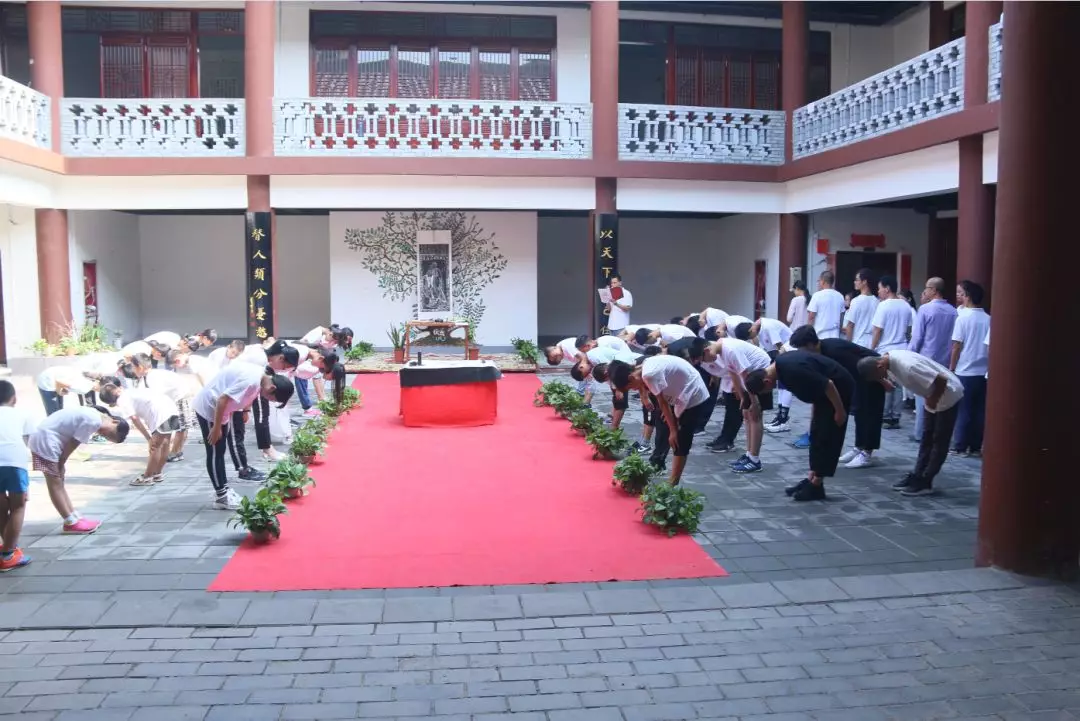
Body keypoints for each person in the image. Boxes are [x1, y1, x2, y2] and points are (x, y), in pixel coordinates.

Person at [745, 351, 854, 502]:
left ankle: (817, 484)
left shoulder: (792, 370)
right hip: (824, 394)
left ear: (767, 382)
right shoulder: (780, 366)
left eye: (765, 391)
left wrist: (840, 411)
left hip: (838, 390)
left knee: (828, 434)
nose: (769, 392)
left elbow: (828, 384)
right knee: (816, 434)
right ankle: (812, 478)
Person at [857, 349, 963, 497]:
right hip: (931, 394)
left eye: (878, 377)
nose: (881, 379)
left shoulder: (908, 367)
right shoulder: (887, 360)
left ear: (879, 366)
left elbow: (941, 380)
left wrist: (932, 401)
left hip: (947, 394)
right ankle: (918, 474)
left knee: (939, 439)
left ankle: (926, 482)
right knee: (927, 437)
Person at [193, 363, 294, 510]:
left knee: (220, 451)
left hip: (222, 411)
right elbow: (222, 399)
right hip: (211, 408)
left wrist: (245, 410)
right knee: (215, 452)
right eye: (272, 399)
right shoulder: (252, 381)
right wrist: (216, 427)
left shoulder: (261, 378)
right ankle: (221, 496)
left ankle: (224, 489)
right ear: (272, 388)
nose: (269, 401)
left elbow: (245, 395)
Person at [790, 326, 888, 469]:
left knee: (870, 414)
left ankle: (867, 453)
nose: (800, 352)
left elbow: (863, 365)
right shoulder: (820, 352)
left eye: (800, 348)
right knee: (859, 413)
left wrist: (882, 381)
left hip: (871, 376)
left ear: (810, 344)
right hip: (858, 380)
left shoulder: (835, 349)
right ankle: (859, 447)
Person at [608, 355, 710, 486]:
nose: (634, 389)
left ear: (631, 378)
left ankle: (673, 483)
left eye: (631, 387)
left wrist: (673, 430)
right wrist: (669, 416)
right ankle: (658, 462)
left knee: (680, 439)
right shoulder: (640, 369)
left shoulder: (649, 374)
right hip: (677, 391)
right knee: (663, 422)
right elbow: (662, 402)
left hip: (692, 392)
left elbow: (662, 403)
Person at [28, 406, 130, 534]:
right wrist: (62, 461)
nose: (102, 434)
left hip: (48, 440)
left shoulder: (94, 416)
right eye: (108, 434)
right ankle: (70, 521)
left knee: (59, 482)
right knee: (55, 482)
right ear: (115, 421)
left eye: (105, 437)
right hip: (46, 441)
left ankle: (74, 516)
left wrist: (61, 462)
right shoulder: (94, 420)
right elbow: (73, 443)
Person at [698, 336, 772, 473]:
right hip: (749, 375)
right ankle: (749, 455)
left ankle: (754, 460)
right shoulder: (721, 350)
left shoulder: (730, 350)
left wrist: (754, 401)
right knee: (746, 415)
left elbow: (745, 376)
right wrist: (742, 396)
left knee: (755, 416)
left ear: (707, 351)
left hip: (760, 372)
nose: (705, 363)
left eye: (703, 360)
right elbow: (733, 372)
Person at [99, 384, 180, 486]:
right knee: (165, 444)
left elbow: (134, 418)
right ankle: (157, 473)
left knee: (154, 447)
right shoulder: (131, 391)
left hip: (161, 414)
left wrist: (148, 438)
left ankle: (147, 477)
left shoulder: (122, 399)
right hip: (171, 409)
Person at [909, 277, 958, 442]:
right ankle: (937, 431)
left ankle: (920, 432)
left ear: (934, 290)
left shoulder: (925, 309)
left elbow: (917, 338)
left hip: (926, 359)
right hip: (945, 360)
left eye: (927, 288)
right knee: (940, 397)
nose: (925, 291)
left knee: (922, 397)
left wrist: (910, 355)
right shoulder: (953, 311)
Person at [949, 280, 991, 456]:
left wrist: (951, 367)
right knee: (979, 410)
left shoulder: (963, 318)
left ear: (968, 296)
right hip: (983, 371)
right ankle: (975, 445)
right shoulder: (988, 319)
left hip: (965, 369)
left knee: (964, 410)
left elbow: (956, 346)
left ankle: (959, 445)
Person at [0, 381, 36, 571]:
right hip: (14, 463)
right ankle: (8, 555)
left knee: (1, 507)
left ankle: (8, 548)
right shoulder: (23, 413)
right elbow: (27, 442)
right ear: (14, 399)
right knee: (18, 506)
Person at [871, 275, 914, 429]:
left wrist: (872, 348)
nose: (878, 291)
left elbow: (877, 330)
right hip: (902, 348)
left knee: (886, 383)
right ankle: (896, 416)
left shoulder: (883, 306)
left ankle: (885, 415)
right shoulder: (906, 306)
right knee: (899, 385)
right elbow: (909, 330)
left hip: (886, 349)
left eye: (880, 288)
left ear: (887, 288)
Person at [144, 366, 201, 462]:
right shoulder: (156, 373)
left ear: (140, 367)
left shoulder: (151, 377)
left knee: (181, 428)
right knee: (182, 427)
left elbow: (157, 396)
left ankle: (175, 453)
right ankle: (178, 451)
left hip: (180, 397)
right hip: (183, 395)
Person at [844, 269, 879, 348]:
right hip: (872, 344)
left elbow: (850, 325)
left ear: (864, 282)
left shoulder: (856, 301)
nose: (854, 282)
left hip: (858, 343)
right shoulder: (877, 302)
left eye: (857, 280)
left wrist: (848, 346)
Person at [807, 271, 846, 340]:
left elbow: (811, 317)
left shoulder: (817, 295)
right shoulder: (840, 296)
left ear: (823, 281)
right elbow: (842, 317)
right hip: (835, 336)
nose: (818, 283)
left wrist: (808, 334)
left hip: (820, 336)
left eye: (819, 281)